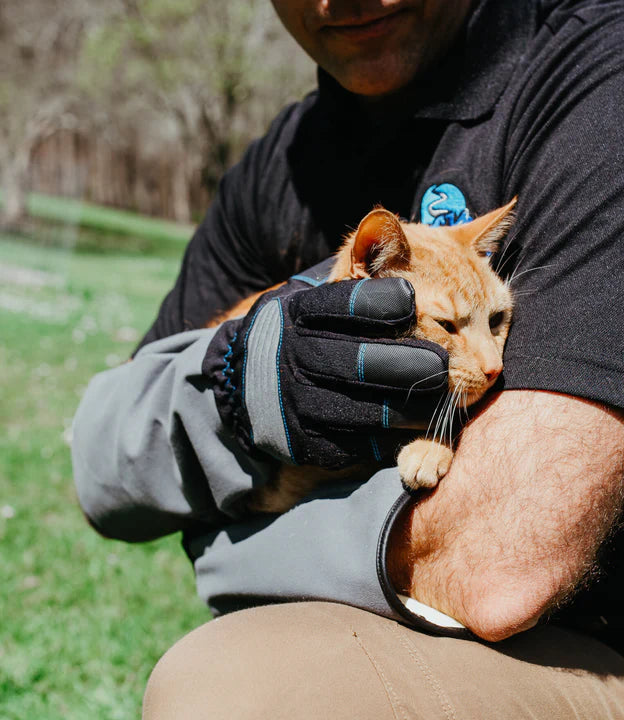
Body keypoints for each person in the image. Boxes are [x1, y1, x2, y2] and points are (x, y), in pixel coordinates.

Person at [72, 0, 624, 716]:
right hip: (403, 601)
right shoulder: (285, 160)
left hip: (589, 640)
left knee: (234, 690)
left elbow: (499, 563)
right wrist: (232, 389)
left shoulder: (592, 80)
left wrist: (230, 549)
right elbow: (101, 469)